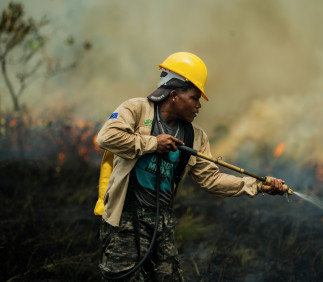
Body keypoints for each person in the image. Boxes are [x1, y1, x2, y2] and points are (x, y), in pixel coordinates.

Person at [94, 51, 287, 281]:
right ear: (174, 94)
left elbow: (212, 180)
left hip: (161, 225)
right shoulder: (136, 110)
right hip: (125, 219)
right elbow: (105, 138)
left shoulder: (195, 136)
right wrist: (153, 143)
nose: (198, 105)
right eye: (195, 98)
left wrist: (256, 185)